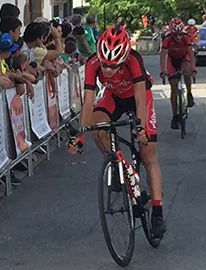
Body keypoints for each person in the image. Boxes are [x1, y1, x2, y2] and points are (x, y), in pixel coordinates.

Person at [67, 25, 166, 238]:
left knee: (148, 154)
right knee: (97, 126)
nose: (107, 70)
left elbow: (140, 98)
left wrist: (140, 127)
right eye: (104, 64)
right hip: (113, 97)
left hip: (139, 96)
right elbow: (88, 102)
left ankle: (157, 212)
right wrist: (80, 135)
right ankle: (118, 165)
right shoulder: (92, 63)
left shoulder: (134, 60)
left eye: (113, 66)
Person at [159, 18, 196, 130]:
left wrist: (193, 68)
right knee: (173, 88)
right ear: (171, 33)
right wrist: (162, 70)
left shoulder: (186, 38)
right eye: (175, 35)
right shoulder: (167, 39)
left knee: (186, 71)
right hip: (172, 60)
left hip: (184, 58)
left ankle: (189, 93)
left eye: (180, 34)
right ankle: (175, 116)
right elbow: (163, 55)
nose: (178, 37)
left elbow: (190, 53)